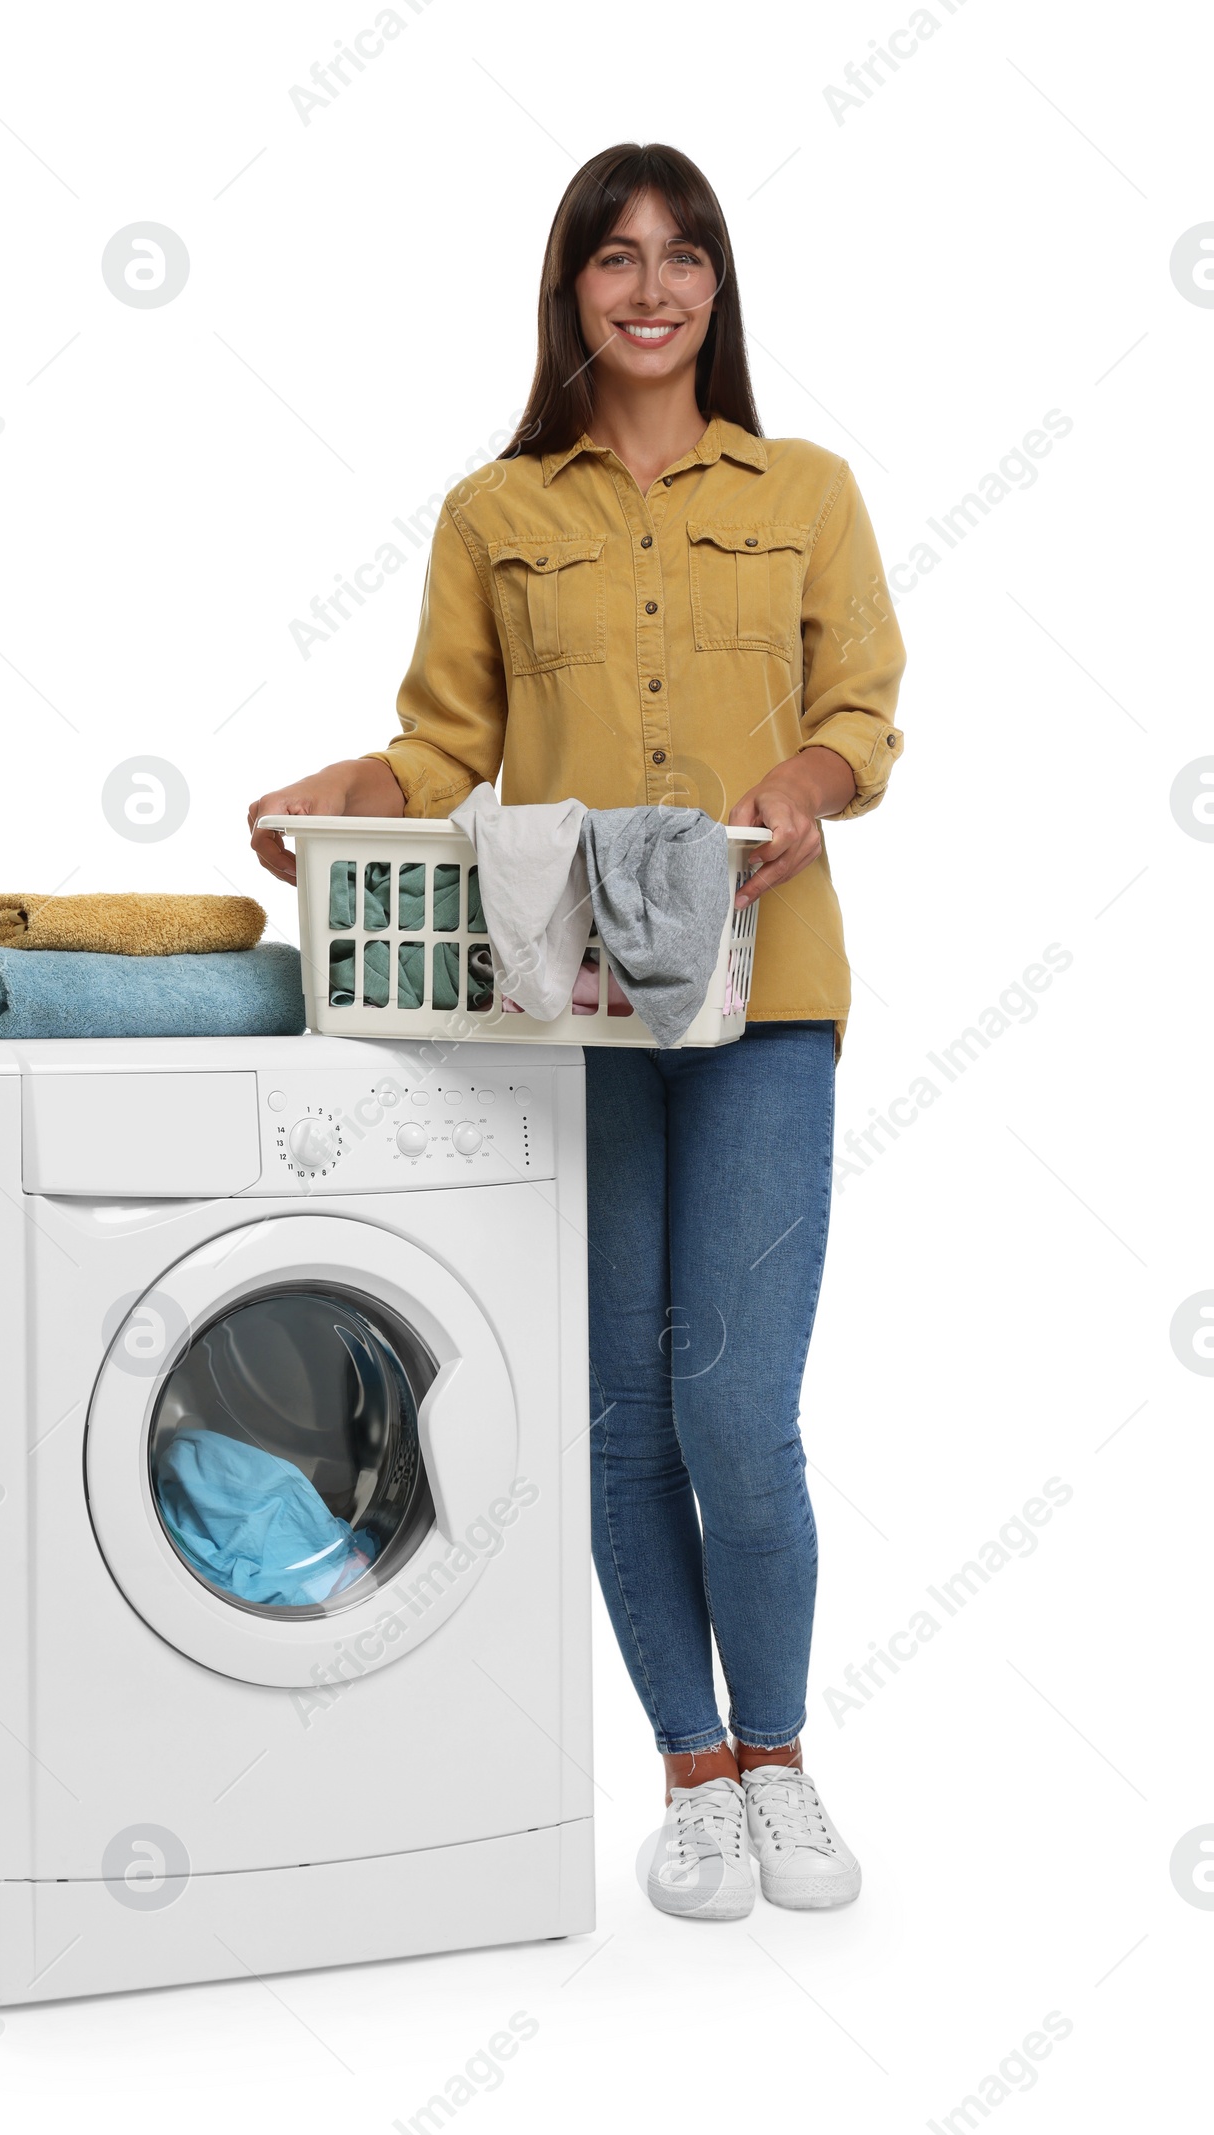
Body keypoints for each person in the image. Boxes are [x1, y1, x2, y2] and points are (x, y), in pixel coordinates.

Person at [248, 141, 905, 1921]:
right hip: (571, 1013)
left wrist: (806, 780)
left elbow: (865, 706)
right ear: (572, 289)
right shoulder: (496, 512)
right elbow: (445, 749)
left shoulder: (811, 489)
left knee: (736, 1414)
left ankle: (781, 1759)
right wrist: (341, 789)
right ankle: (691, 1778)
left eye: (684, 256)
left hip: (770, 993)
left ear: (718, 289)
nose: (652, 288)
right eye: (617, 258)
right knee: (625, 1423)